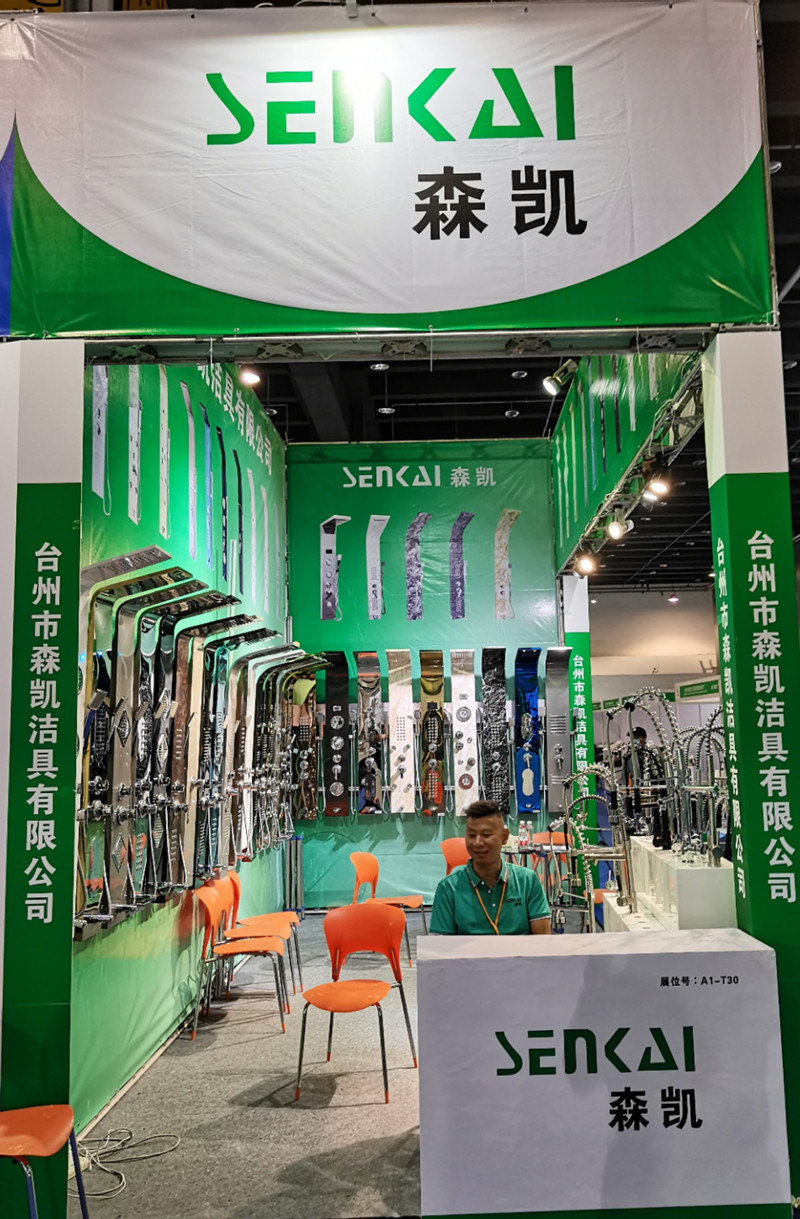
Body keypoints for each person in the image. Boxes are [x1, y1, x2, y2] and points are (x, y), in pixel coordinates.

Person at [430, 799, 550, 935]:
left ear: (504, 837)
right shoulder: (448, 888)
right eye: (471, 835)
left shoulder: (527, 881)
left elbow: (542, 940)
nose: (477, 842)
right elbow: (442, 945)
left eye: (486, 835)